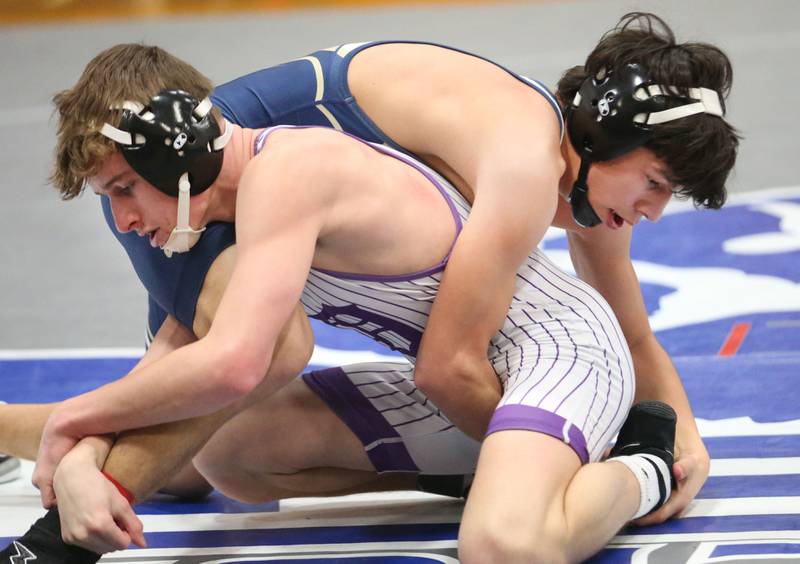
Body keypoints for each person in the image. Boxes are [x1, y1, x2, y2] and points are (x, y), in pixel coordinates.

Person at [3, 11, 738, 562]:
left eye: (666, 193)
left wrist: (670, 438)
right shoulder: (519, 162)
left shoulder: (535, 171)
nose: (652, 211)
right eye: (657, 182)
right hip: (202, 160)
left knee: (500, 533)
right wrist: (81, 438)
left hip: (530, 342)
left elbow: (619, 329)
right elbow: (208, 367)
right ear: (606, 138)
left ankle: (54, 542)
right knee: (218, 450)